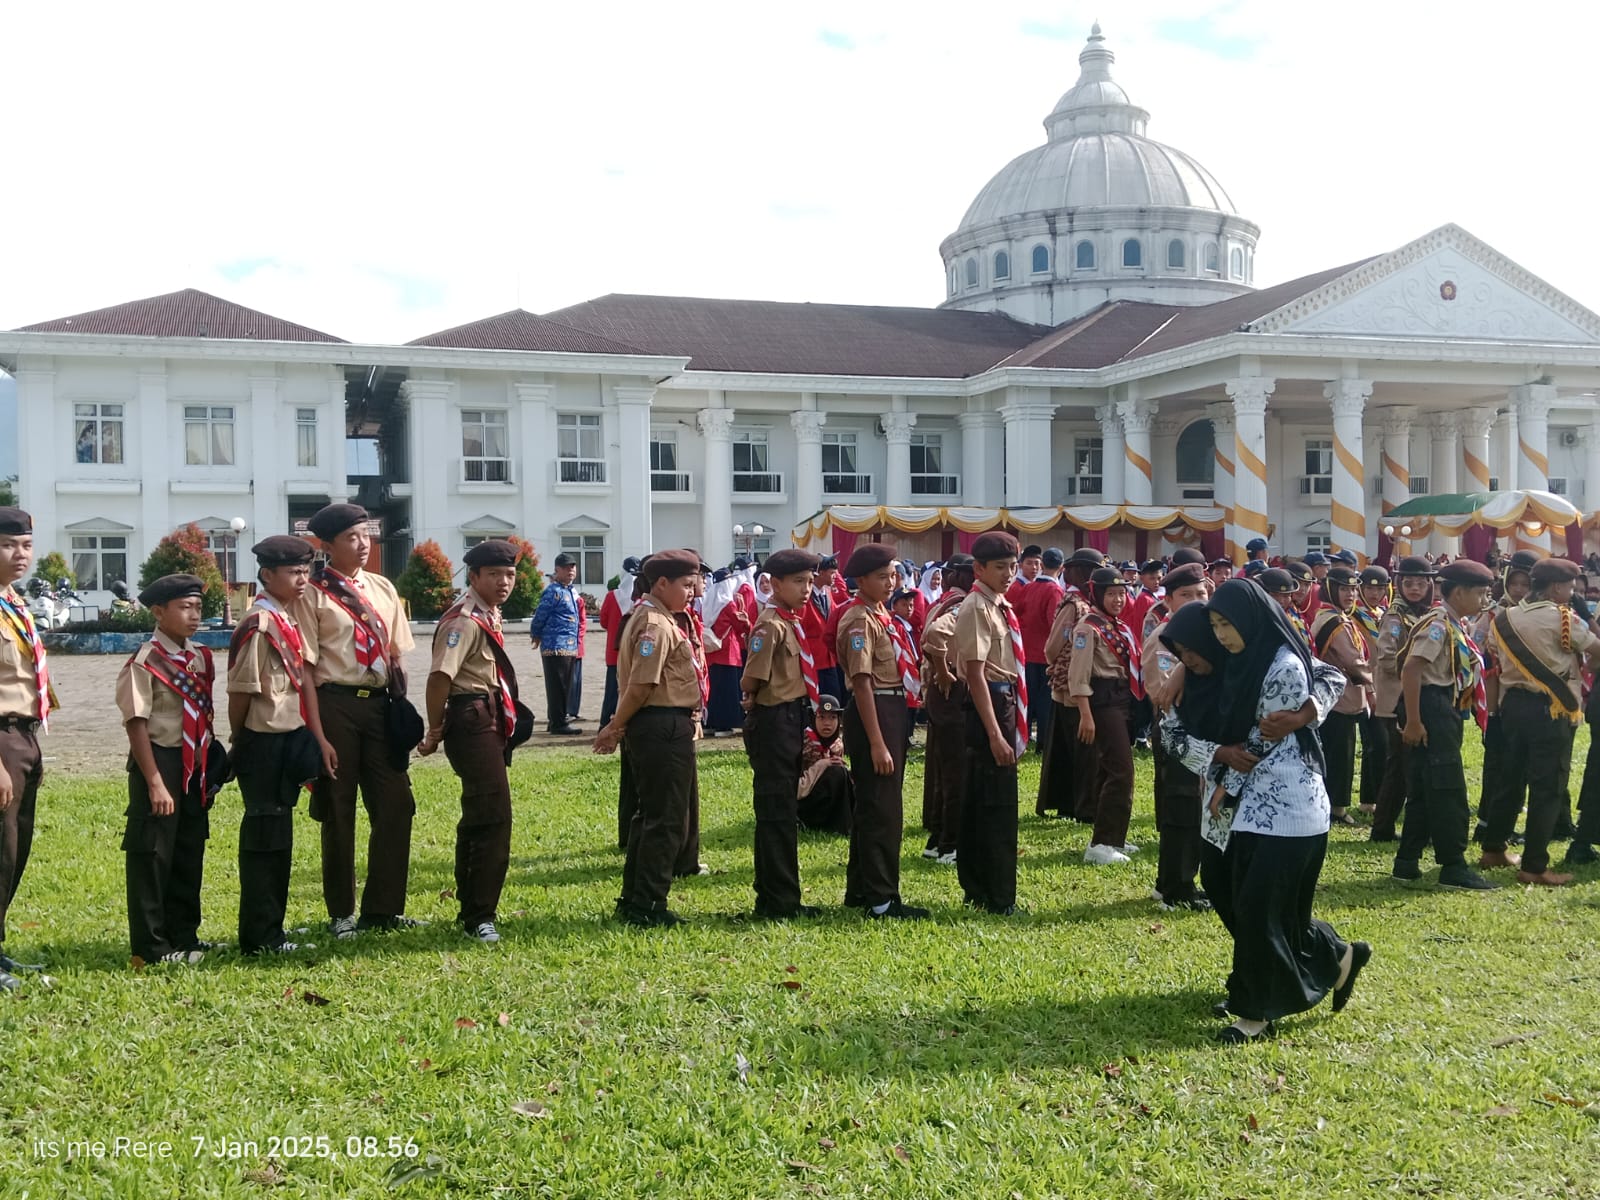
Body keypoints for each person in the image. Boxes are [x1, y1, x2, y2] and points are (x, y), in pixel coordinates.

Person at [1169, 579, 1367, 1043]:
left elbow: (1263, 738)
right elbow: (1175, 731)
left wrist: (1304, 714)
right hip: (1233, 809)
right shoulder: (1233, 663)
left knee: (1261, 908)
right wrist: (1183, 669)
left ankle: (1254, 1012)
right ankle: (1334, 956)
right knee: (1233, 895)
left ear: (1252, 619)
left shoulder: (1280, 664)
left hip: (1284, 805)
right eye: (1213, 625)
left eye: (1227, 624)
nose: (1220, 634)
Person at [292, 502, 419, 941]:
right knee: (338, 807)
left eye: (366, 534)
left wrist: (403, 708)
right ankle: (342, 911)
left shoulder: (382, 587)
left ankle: (383, 909)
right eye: (351, 537)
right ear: (326, 546)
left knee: (396, 803)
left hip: (379, 705)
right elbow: (307, 669)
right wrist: (318, 732)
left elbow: (397, 654)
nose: (363, 544)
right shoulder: (311, 593)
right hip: (335, 704)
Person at [227, 536, 333, 955]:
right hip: (263, 741)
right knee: (265, 840)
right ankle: (260, 937)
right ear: (267, 575)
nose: (302, 578)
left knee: (280, 837)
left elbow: (303, 679)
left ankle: (274, 926)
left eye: (306, 570)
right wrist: (241, 740)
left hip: (289, 737)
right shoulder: (258, 624)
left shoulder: (287, 617)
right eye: (293, 572)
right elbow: (241, 692)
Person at [419, 539, 529, 943]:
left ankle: (470, 903)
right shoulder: (464, 620)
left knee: (479, 815)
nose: (505, 582)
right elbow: (439, 678)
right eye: (495, 575)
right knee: (494, 814)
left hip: (489, 715)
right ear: (475, 576)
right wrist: (434, 729)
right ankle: (480, 914)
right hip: (470, 717)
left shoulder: (488, 613)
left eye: (510, 575)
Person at [115, 574, 222, 966]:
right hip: (159, 760)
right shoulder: (144, 662)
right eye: (184, 607)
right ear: (159, 612)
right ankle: (152, 945)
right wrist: (155, 782)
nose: (194, 615)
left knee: (189, 849)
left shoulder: (199, 657)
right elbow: (136, 723)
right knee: (153, 854)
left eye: (197, 607)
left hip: (193, 763)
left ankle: (185, 935)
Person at [595, 550, 705, 927]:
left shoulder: (653, 617)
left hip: (660, 723)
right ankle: (649, 904)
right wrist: (614, 727)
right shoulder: (655, 624)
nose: (692, 592)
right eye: (686, 585)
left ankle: (635, 898)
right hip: (661, 725)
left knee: (650, 816)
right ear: (662, 584)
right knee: (666, 819)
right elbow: (642, 685)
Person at [1478, 558, 1600, 885]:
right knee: (1547, 786)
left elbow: (1493, 656)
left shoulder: (1505, 618)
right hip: (1552, 708)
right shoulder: (1563, 617)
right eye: (1571, 587)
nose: (1572, 593)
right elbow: (1595, 648)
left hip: (1513, 704)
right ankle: (1534, 866)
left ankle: (1493, 849)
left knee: (1511, 779)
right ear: (1557, 587)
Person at [835, 542, 928, 919]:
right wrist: (876, 742)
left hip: (891, 707)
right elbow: (861, 682)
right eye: (881, 576)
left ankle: (860, 890)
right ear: (860, 580)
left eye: (893, 575)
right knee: (882, 809)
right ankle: (882, 899)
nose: (891, 582)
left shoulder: (880, 615)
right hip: (875, 708)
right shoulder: (859, 620)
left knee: (876, 804)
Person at [1394, 558, 1498, 890]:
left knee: (1426, 787)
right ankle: (1454, 866)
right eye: (1480, 593)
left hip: (1440, 704)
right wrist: (1413, 720)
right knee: (1448, 787)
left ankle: (1407, 862)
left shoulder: (1452, 623)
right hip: (1432, 705)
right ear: (1460, 591)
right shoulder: (1438, 624)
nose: (1484, 600)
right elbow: (1411, 668)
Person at [739, 548, 824, 918]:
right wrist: (755, 701)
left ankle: (785, 894)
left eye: (809, 581)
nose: (807, 589)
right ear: (775, 584)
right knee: (775, 811)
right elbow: (751, 679)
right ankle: (777, 899)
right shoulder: (770, 625)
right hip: (774, 720)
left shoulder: (791, 620)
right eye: (798, 582)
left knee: (786, 808)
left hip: (791, 717)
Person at [954, 531, 1024, 914]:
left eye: (1012, 567)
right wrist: (996, 735)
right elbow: (976, 674)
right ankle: (994, 894)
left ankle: (987, 888)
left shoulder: (998, 604)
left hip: (1004, 698)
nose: (1009, 574)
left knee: (992, 800)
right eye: (1000, 567)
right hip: (990, 704)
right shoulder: (977, 607)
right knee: (992, 804)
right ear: (979, 568)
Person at [0, 507, 52, 989]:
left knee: (15, 847)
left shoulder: (14, 602)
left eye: (26, 545)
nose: (21, 555)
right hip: (1, 740)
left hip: (25, 735)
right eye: (8, 545)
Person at [1145, 563, 1210, 909]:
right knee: (1181, 809)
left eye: (1201, 593)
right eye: (1186, 595)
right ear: (1168, 599)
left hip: (1198, 732)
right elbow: (1165, 694)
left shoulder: (1202, 633)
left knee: (1193, 809)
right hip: (1177, 730)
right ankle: (1175, 888)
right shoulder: (1165, 637)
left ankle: (1179, 880)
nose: (1196, 600)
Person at [1069, 566, 1143, 864]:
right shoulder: (1088, 628)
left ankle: (1113, 838)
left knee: (1108, 769)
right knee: (1122, 770)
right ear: (1097, 594)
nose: (1118, 600)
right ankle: (1102, 843)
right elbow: (1078, 676)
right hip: (1102, 701)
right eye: (1111, 594)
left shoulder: (1118, 626)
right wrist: (1086, 715)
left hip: (1122, 698)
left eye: (1122, 593)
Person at [1472, 549, 1539, 845]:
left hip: (1522, 700)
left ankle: (1505, 825)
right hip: (1497, 699)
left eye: (1526, 585)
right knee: (1497, 767)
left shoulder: (1537, 616)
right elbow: (1477, 651)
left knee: (1517, 768)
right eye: (1516, 584)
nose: (1520, 590)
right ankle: (1487, 824)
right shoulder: (1494, 614)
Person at [1037, 548, 1100, 819]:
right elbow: (1053, 645)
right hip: (1067, 685)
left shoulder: (1085, 601)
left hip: (1074, 682)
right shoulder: (1074, 603)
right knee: (1073, 748)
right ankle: (1075, 804)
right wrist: (1058, 665)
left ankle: (1069, 802)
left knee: (1069, 747)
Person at [918, 554, 974, 862]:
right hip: (953, 691)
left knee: (943, 769)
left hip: (940, 695)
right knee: (956, 771)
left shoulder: (943, 600)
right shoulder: (961, 604)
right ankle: (951, 844)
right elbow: (935, 637)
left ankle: (937, 838)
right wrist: (942, 668)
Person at [1309, 566, 1372, 827]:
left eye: (1353, 589)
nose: (1350, 594)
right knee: (1340, 757)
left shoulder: (1335, 616)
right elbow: (1352, 661)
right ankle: (1336, 808)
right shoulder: (1333, 621)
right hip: (1339, 698)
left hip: (1341, 697)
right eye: (1344, 589)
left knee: (1339, 754)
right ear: (1331, 589)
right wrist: (1373, 684)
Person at [612, 570, 651, 849]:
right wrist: (616, 725)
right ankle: (632, 841)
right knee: (639, 787)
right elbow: (637, 680)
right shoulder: (642, 619)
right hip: (642, 711)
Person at [529, 552, 584, 736]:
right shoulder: (553, 591)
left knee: (564, 686)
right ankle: (559, 723)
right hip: (555, 645)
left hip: (569, 646)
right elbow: (540, 615)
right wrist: (536, 634)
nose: (571, 570)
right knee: (558, 686)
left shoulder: (569, 591)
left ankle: (556, 719)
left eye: (573, 567)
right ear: (557, 569)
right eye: (567, 567)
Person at [1352, 565, 1390, 821]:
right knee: (1375, 743)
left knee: (1387, 743)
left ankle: (1381, 794)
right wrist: (1369, 688)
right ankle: (1369, 798)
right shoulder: (1355, 616)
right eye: (1369, 588)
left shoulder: (1385, 614)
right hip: (1367, 686)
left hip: (1389, 685)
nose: (1374, 593)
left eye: (1379, 588)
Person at [1016, 548, 1064, 748]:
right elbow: (1055, 624)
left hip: (1027, 652)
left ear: (1042, 565)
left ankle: (1024, 737)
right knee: (1046, 701)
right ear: (1061, 568)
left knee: (1029, 699)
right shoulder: (1055, 591)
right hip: (1045, 654)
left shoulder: (1029, 587)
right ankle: (1044, 742)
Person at [703, 568, 750, 735]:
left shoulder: (708, 600)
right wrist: (743, 611)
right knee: (728, 691)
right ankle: (725, 725)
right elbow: (741, 627)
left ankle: (710, 723)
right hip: (728, 652)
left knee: (714, 689)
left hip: (711, 652)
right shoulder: (728, 604)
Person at [597, 556, 642, 729]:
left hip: (614, 653)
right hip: (633, 652)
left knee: (611, 691)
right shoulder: (640, 600)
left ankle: (606, 722)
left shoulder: (611, 596)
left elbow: (603, 621)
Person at [798, 696, 853, 833]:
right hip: (804, 801)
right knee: (837, 773)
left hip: (828, 800)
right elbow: (796, 788)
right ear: (813, 718)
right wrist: (821, 765)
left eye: (832, 718)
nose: (827, 723)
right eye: (821, 717)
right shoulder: (801, 743)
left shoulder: (837, 745)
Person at [806, 557, 846, 702]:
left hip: (829, 656)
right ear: (821, 573)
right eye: (831, 573)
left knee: (834, 698)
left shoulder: (827, 592)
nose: (835, 576)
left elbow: (835, 613)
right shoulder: (806, 595)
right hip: (813, 656)